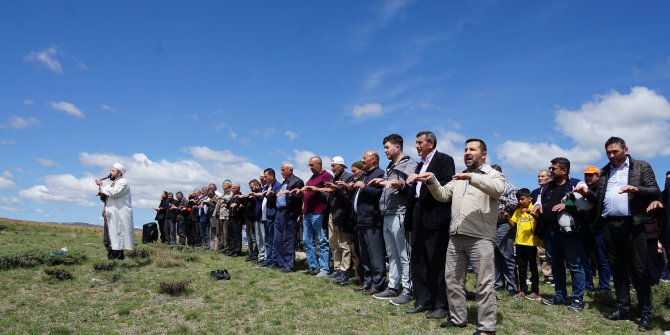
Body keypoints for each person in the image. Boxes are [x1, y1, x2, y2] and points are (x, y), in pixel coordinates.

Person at [414, 138, 503, 334]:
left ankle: (487, 326)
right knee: (453, 281)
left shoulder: (493, 174)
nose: (467, 153)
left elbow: (498, 190)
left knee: (484, 283)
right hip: (455, 236)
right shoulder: (460, 177)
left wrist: (472, 177)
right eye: (465, 150)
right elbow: (444, 195)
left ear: (484, 154)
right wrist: (432, 180)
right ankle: (458, 318)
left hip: (480, 237)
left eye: (472, 149)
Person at [580, 137, 659, 331]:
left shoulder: (641, 166)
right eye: (608, 152)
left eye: (615, 151)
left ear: (626, 149)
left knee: (639, 270)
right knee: (617, 267)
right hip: (608, 224)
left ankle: (645, 313)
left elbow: (654, 190)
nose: (611, 155)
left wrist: (636, 189)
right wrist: (586, 193)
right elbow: (599, 199)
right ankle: (623, 308)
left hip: (632, 223)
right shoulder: (605, 170)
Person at [405, 131, 455, 320]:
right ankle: (422, 300)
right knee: (418, 260)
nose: (416, 146)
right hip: (418, 214)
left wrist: (425, 178)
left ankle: (440, 304)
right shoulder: (419, 164)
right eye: (416, 142)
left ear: (431, 143)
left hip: (435, 216)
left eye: (419, 142)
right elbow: (415, 190)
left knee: (436, 261)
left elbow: (447, 185)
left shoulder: (444, 160)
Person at [369, 134, 417, 305]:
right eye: (384, 148)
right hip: (387, 214)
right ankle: (393, 287)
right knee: (392, 254)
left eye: (387, 147)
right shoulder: (390, 167)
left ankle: (408, 289)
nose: (385, 151)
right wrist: (382, 181)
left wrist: (400, 185)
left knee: (404, 254)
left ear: (398, 147)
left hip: (400, 213)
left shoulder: (410, 164)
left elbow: (412, 188)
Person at [536, 157, 587, 312]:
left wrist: (567, 205)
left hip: (569, 232)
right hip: (550, 232)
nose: (550, 170)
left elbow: (585, 202)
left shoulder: (576, 184)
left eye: (554, 168)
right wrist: (538, 205)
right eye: (550, 168)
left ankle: (577, 299)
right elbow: (538, 199)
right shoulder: (546, 187)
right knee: (556, 266)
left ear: (564, 170)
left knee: (575, 266)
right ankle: (560, 296)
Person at [352, 151, 385, 294]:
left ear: (373, 160)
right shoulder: (365, 175)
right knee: (364, 254)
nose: (362, 160)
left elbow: (379, 194)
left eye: (364, 158)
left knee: (375, 254)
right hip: (361, 220)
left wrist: (363, 187)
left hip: (372, 220)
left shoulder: (379, 174)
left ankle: (378, 284)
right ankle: (367, 281)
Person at [296, 157, 333, 276]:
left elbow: (330, 191)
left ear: (319, 164)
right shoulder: (311, 178)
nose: (310, 167)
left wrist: (317, 189)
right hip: (307, 213)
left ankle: (324, 269)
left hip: (319, 213)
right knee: (307, 241)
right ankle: (313, 266)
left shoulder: (326, 176)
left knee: (322, 241)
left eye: (312, 165)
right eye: (309, 165)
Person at [505, 188, 541, 300]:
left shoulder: (535, 209)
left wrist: (532, 213)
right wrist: (507, 217)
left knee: (533, 267)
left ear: (530, 198)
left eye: (522, 199)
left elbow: (540, 221)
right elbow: (513, 225)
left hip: (531, 243)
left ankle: (535, 291)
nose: (520, 201)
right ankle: (523, 290)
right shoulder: (517, 211)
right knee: (521, 267)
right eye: (518, 199)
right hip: (520, 242)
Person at [323, 156, 355, 283]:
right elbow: (330, 197)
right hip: (332, 213)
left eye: (334, 165)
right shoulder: (333, 178)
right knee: (334, 243)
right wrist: (320, 191)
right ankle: (337, 268)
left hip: (341, 215)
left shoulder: (348, 177)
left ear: (341, 166)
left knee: (344, 244)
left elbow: (347, 198)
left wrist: (336, 190)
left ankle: (344, 269)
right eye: (331, 165)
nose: (332, 168)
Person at [580, 166, 611, 294]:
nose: (587, 177)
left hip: (599, 227)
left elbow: (599, 202)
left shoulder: (604, 189)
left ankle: (604, 287)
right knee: (584, 259)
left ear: (598, 176)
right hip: (584, 227)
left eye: (591, 175)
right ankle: (588, 286)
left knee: (602, 258)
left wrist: (587, 193)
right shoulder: (581, 190)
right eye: (586, 175)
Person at [96, 162, 135, 260]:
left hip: (118, 215)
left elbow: (114, 193)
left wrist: (102, 184)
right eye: (110, 170)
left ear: (120, 173)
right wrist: (103, 194)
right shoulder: (114, 183)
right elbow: (111, 195)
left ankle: (117, 261)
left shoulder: (123, 182)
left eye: (113, 171)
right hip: (111, 214)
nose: (110, 172)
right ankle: (113, 260)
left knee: (117, 238)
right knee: (109, 239)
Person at [491, 164, 519, 296]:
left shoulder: (510, 187)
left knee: (506, 255)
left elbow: (515, 204)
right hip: (490, 224)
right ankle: (498, 283)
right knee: (494, 255)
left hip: (504, 224)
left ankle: (512, 286)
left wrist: (499, 196)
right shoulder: (488, 187)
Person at [274, 162, 305, 272]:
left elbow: (299, 194)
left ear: (290, 170)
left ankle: (289, 265)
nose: (281, 172)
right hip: (279, 213)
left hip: (289, 213)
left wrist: (289, 193)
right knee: (277, 240)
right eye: (281, 169)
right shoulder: (284, 182)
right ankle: (281, 263)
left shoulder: (297, 181)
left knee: (288, 239)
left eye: (283, 170)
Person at [532, 169, 554, 286]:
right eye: (538, 176)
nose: (539, 178)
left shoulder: (553, 190)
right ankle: (548, 276)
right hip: (540, 226)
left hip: (553, 225)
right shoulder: (535, 192)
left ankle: (555, 276)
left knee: (553, 252)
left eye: (542, 176)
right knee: (542, 253)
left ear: (550, 178)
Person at [259, 168, 282, 268]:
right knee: (267, 240)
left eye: (266, 176)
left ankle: (274, 260)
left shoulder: (278, 186)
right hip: (266, 216)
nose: (265, 178)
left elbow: (278, 199)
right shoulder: (267, 186)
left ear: (272, 176)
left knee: (273, 240)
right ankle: (268, 259)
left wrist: (272, 194)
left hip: (273, 216)